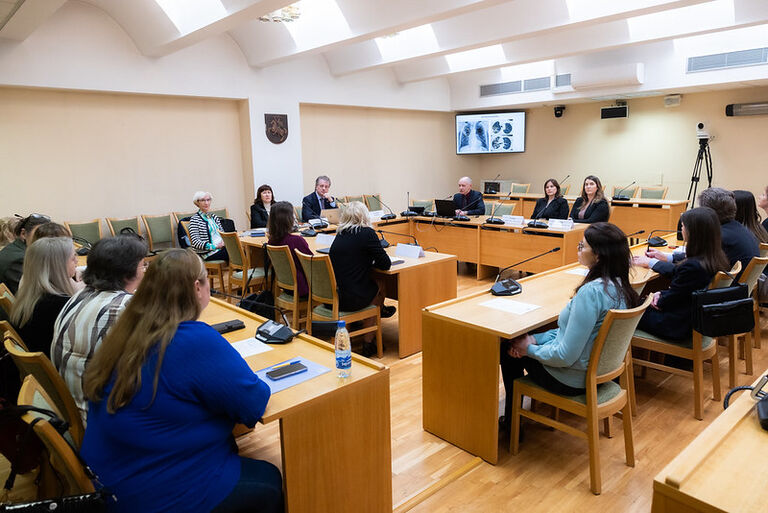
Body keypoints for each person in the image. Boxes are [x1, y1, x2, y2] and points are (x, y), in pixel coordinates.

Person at [81, 249, 283, 513]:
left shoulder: (129, 329)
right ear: (196, 287)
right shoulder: (192, 340)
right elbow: (253, 403)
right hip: (158, 493)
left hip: (114, 477)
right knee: (268, 478)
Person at [499, 222, 639, 428]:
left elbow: (565, 355)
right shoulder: (620, 285)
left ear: (598, 255)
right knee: (530, 336)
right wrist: (536, 339)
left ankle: (512, 426)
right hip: (598, 372)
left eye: (582, 246)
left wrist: (528, 349)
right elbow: (569, 332)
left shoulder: (591, 293)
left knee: (506, 347)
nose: (578, 249)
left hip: (572, 380)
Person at [51, 234, 148, 422]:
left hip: (73, 408)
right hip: (98, 418)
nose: (145, 270)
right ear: (127, 272)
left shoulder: (80, 296)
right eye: (143, 265)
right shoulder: (123, 307)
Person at [633, 207, 729, 340]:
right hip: (692, 318)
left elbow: (668, 300)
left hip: (677, 325)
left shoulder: (693, 266)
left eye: (683, 226)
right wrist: (660, 291)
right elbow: (682, 287)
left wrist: (656, 297)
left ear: (693, 232)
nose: (681, 229)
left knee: (629, 308)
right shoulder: (716, 256)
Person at [642, 187, 759, 277]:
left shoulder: (720, 237)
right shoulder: (738, 229)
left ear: (708, 212)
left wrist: (651, 262)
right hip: (737, 293)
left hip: (717, 299)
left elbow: (688, 269)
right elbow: (701, 259)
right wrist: (667, 257)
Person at [329, 202, 395, 355]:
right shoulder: (367, 233)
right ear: (365, 216)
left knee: (363, 284)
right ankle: (368, 342)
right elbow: (385, 264)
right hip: (352, 298)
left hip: (336, 296)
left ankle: (350, 339)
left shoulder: (340, 234)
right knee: (380, 285)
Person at [11, 237, 77, 356]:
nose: (77, 262)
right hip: (57, 365)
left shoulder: (29, 296)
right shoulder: (60, 305)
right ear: (58, 266)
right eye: (73, 258)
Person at [267, 201, 312, 297]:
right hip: (303, 288)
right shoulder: (296, 241)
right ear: (288, 219)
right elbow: (311, 264)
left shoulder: (271, 241)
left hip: (286, 286)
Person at [0, 213, 51, 294]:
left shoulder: (19, 248)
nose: (46, 239)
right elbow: (30, 295)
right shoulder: (19, 259)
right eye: (40, 234)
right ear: (23, 234)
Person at [189, 190, 228, 262]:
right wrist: (215, 246)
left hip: (221, 248)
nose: (206, 203)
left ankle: (241, 272)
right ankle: (241, 272)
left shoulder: (213, 216)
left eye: (208, 200)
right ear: (197, 203)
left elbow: (223, 233)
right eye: (203, 200)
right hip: (208, 253)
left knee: (241, 249)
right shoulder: (194, 220)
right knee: (236, 253)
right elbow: (195, 242)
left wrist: (224, 242)